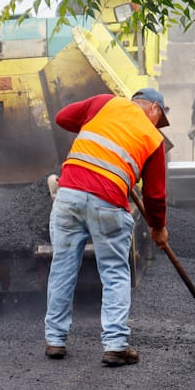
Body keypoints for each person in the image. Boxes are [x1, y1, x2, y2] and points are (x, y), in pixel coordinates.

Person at [44, 88, 170, 367]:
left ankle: (55, 340)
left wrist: (97, 124)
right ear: (155, 109)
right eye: (159, 119)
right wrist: (158, 228)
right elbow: (155, 195)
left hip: (68, 196)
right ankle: (115, 345)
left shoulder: (103, 103)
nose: (157, 125)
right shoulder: (153, 138)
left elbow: (63, 118)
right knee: (114, 273)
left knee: (62, 268)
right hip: (108, 202)